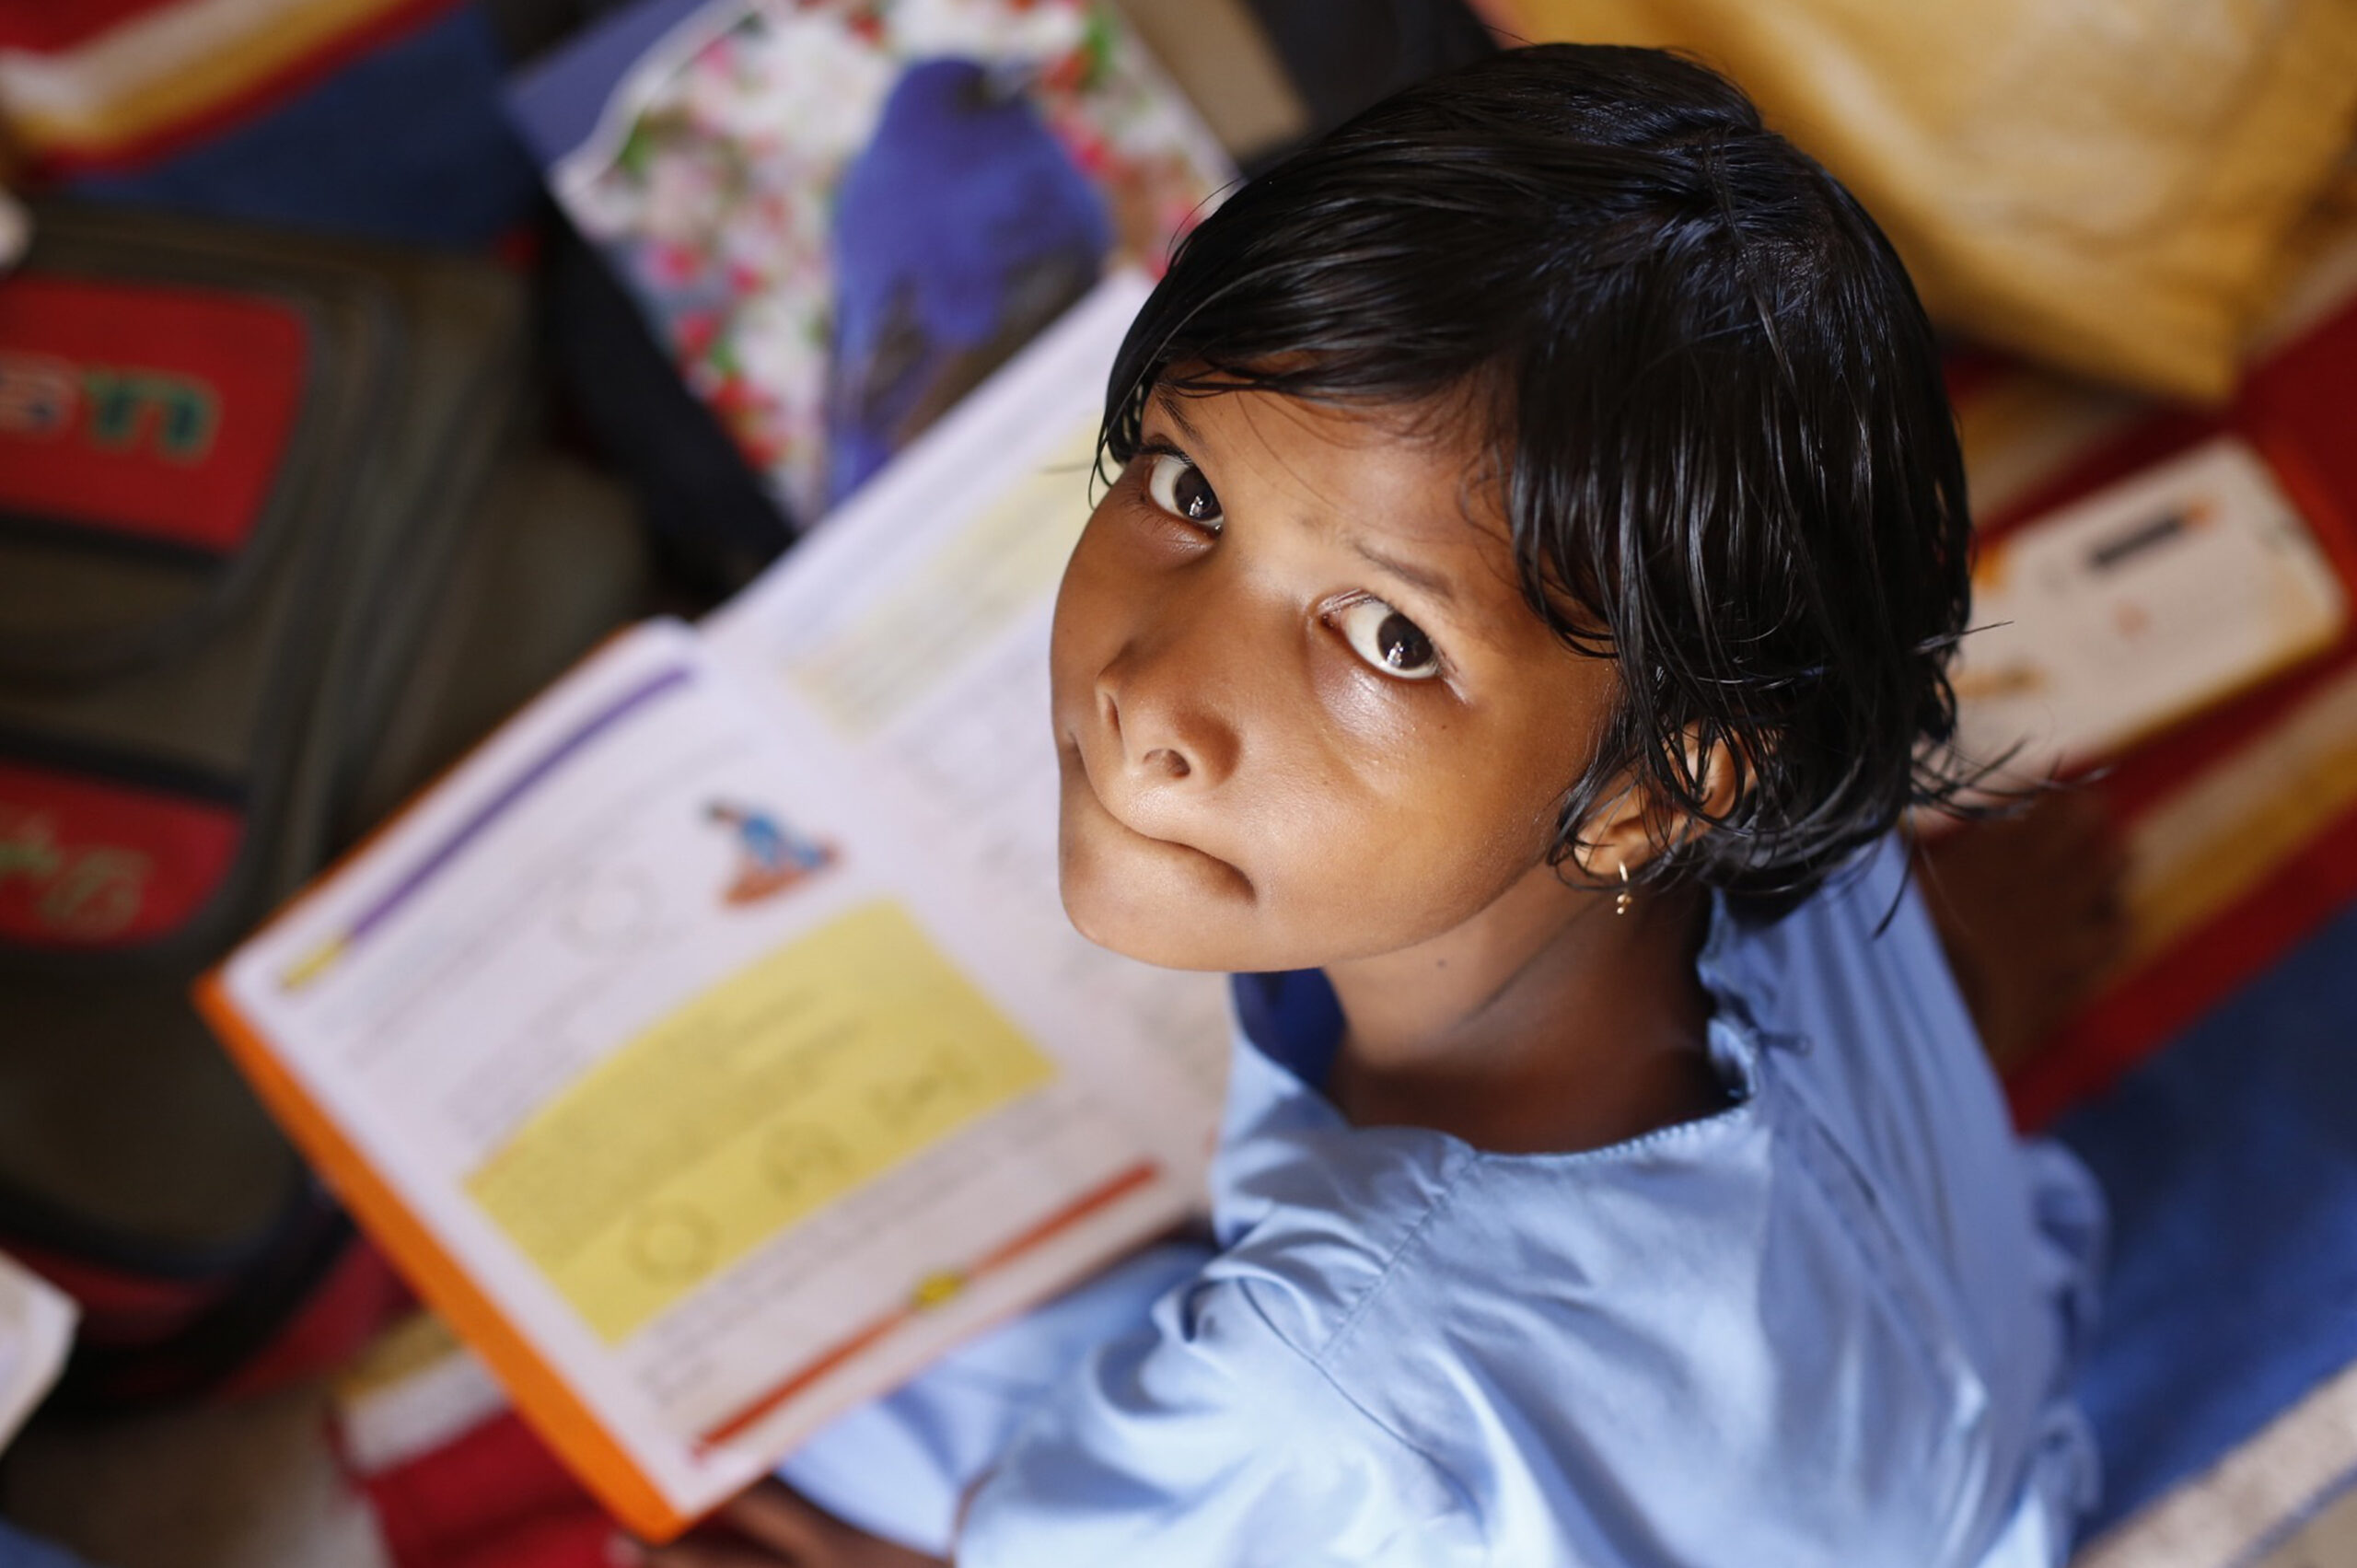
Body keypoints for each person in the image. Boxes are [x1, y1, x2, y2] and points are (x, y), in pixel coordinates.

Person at [628, 43, 2105, 1568]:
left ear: (1656, 795)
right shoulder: (1767, 767)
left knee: (861, 1411)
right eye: (1188, 491)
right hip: (1922, 1438)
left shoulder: (1313, 1372)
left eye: (1391, 639)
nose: (1154, 699)